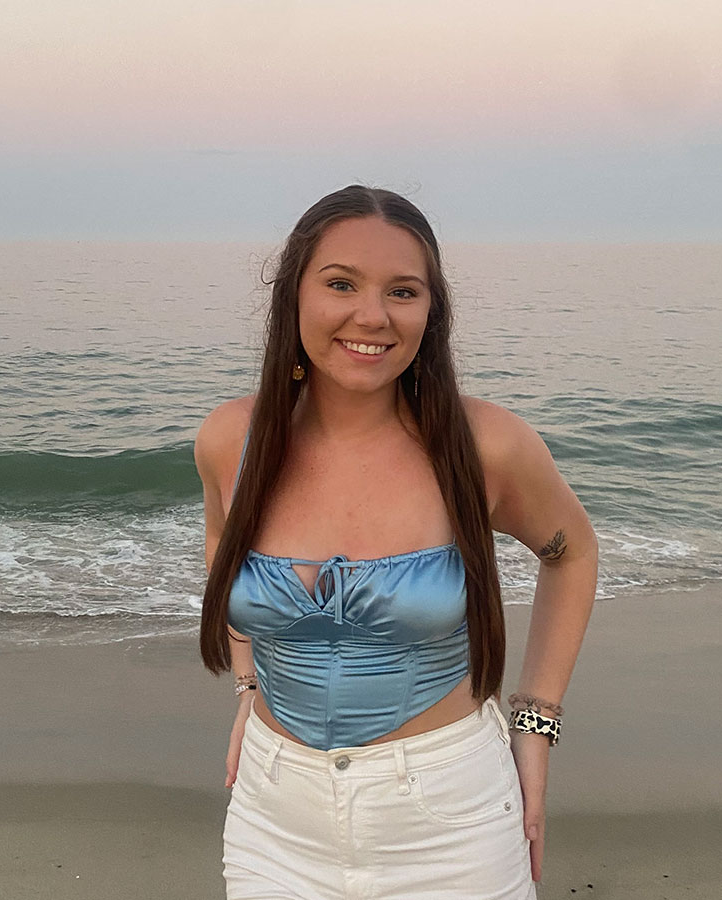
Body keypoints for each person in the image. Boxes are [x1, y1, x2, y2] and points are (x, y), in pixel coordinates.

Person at [195, 185, 598, 899]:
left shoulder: (485, 446)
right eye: (341, 284)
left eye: (403, 292)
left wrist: (536, 725)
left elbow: (571, 553)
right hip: (273, 817)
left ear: (431, 311)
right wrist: (249, 684)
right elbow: (223, 543)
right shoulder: (232, 440)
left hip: (451, 821)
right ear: (294, 293)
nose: (372, 316)